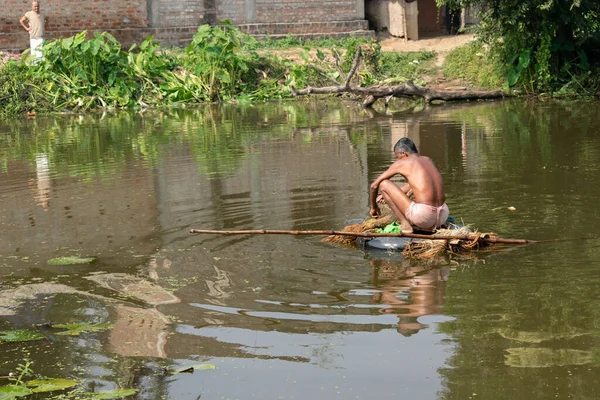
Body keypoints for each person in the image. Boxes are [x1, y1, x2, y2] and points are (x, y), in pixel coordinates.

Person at [369, 137, 449, 233]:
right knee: (388, 189)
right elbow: (418, 184)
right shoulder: (428, 160)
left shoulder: (403, 162)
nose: (398, 159)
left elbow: (374, 186)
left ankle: (405, 225)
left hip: (425, 216)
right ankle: (431, 225)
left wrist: (374, 207)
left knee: (384, 184)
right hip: (443, 215)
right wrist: (391, 194)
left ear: (404, 153)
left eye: (398, 156)